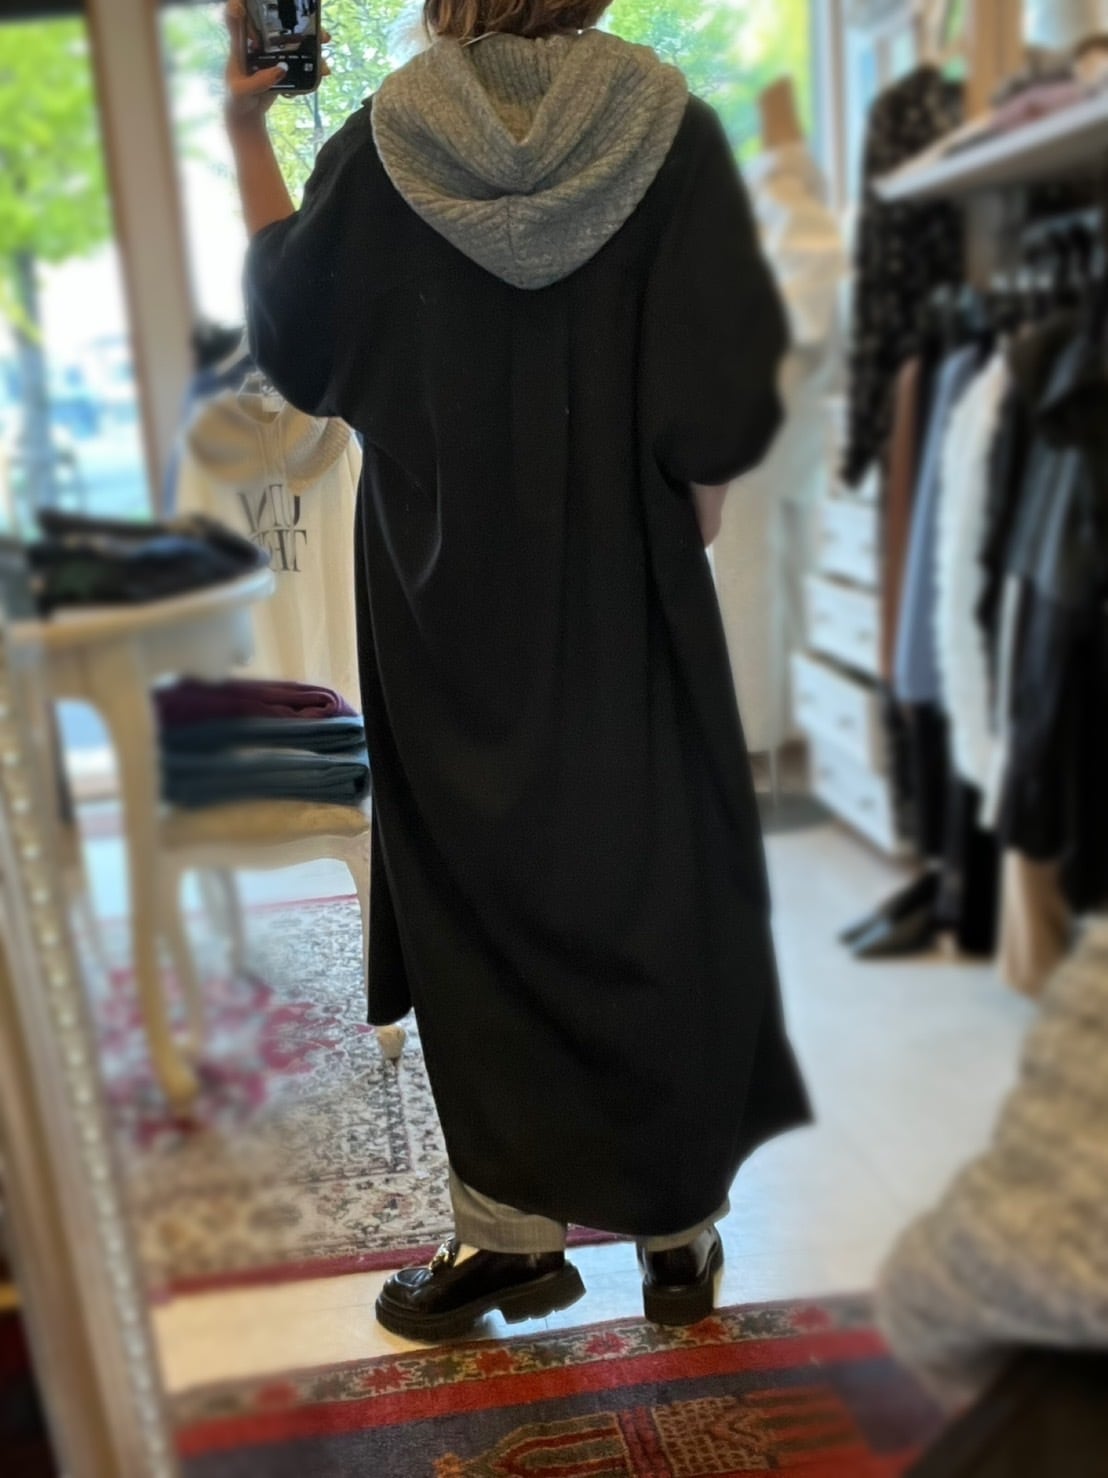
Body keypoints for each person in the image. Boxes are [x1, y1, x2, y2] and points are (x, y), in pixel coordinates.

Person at [224, 0, 810, 1343]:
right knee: (653, 886)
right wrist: (687, 508)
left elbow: (299, 347)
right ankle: (679, 1234)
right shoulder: (674, 135)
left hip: (445, 608)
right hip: (631, 590)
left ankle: (508, 1240)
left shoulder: (381, 147)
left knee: (475, 905)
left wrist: (244, 128)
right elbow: (723, 404)